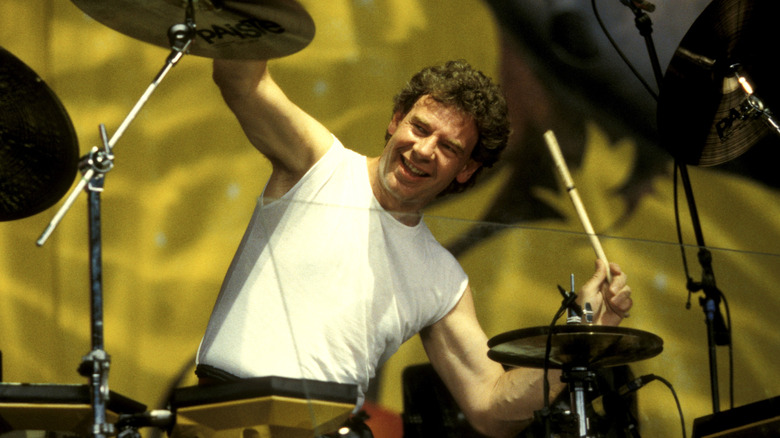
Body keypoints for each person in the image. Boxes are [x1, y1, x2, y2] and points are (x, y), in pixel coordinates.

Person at [195, 58, 633, 438]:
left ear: (467, 169)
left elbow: (492, 409)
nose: (424, 150)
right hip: (227, 413)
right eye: (419, 127)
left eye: (448, 147)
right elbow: (243, 81)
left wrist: (582, 338)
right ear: (396, 119)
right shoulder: (319, 164)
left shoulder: (442, 279)